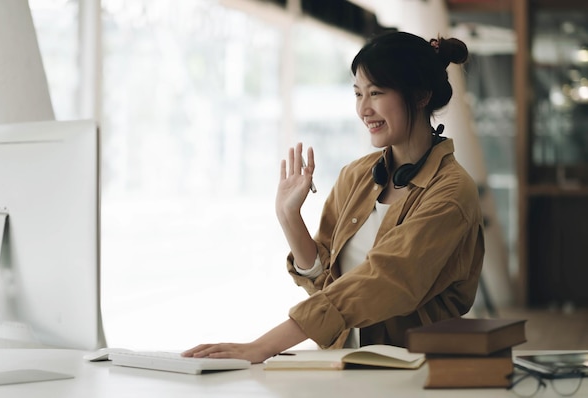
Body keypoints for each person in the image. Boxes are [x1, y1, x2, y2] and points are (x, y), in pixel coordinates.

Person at [182, 31, 484, 364]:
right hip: (344, 365)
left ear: (421, 95)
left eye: (377, 93)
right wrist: (289, 217)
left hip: (416, 371)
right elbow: (328, 289)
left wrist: (263, 346)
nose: (363, 109)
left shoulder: (452, 192)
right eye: (358, 94)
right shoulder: (356, 176)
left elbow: (386, 281)